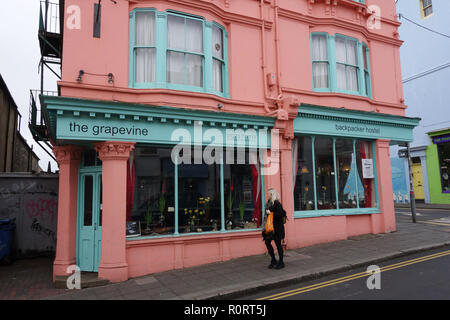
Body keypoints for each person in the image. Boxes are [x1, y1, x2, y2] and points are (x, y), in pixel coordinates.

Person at [263, 188, 285, 269]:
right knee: (267, 242)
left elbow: (281, 214)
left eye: (268, 194)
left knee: (278, 244)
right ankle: (273, 260)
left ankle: (281, 262)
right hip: (269, 227)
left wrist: (271, 213)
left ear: (272, 195)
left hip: (277, 228)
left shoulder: (277, 203)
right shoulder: (268, 203)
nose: (267, 195)